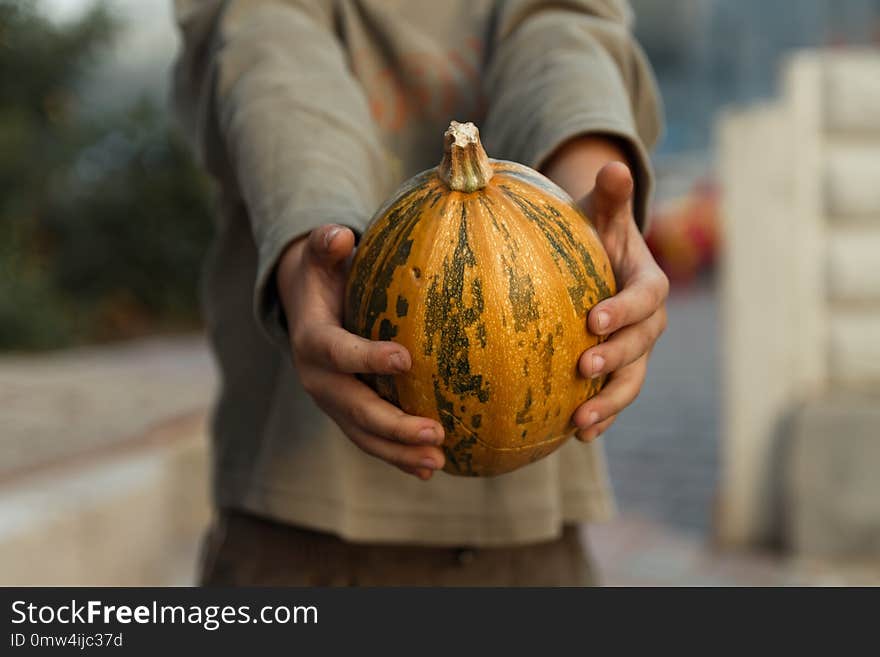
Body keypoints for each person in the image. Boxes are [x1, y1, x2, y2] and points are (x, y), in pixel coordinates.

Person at [173, 0, 668, 586]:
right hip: (300, 528)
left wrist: (586, 217)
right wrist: (315, 242)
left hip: (531, 534)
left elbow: (562, 29)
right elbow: (272, 49)